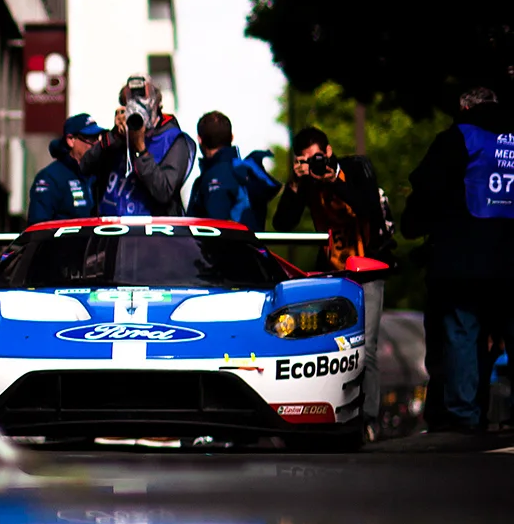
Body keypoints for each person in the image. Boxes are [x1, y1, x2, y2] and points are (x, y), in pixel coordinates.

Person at [401, 86, 514, 432]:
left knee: (463, 334)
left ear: (464, 108)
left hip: (464, 259)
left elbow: (427, 189)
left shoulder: (458, 137)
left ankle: (465, 417)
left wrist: (415, 227)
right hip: (510, 257)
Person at [271, 124, 393, 269]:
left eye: (317, 158)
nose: (314, 165)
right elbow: (282, 224)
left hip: (368, 264)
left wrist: (335, 182)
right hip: (332, 269)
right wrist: (294, 184)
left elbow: (369, 210)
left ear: (328, 151)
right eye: (307, 161)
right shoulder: (308, 183)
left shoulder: (354, 169)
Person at [81, 76, 193, 217]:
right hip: (112, 225)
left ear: (156, 104)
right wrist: (114, 136)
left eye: (142, 102)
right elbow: (85, 167)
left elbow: (164, 191)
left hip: (152, 227)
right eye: (130, 103)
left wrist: (141, 149)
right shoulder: (118, 137)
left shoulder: (173, 140)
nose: (137, 109)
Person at [190, 110, 282, 229]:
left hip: (227, 241)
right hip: (252, 240)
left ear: (199, 139)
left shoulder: (215, 177)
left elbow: (215, 228)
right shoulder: (245, 171)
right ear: (232, 137)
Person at [22, 112, 103, 225]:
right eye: (90, 139)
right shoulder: (50, 178)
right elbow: (38, 225)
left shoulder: (99, 174)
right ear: (71, 140)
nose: (96, 144)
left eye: (97, 138)